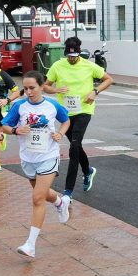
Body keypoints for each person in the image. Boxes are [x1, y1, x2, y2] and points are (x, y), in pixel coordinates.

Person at [1, 71, 70, 258]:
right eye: (26, 88)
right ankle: (60, 201)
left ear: (41, 87)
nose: (29, 92)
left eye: (32, 88)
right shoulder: (19, 106)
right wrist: (15, 130)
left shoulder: (52, 105)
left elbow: (66, 120)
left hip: (48, 155)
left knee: (37, 198)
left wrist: (60, 134)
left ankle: (30, 244)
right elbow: (4, 126)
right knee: (43, 193)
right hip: (28, 158)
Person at [44, 37, 113, 199]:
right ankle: (88, 170)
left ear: (79, 53)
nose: (72, 59)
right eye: (69, 56)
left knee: (74, 148)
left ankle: (68, 191)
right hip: (65, 113)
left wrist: (95, 92)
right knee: (77, 145)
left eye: (74, 56)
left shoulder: (89, 65)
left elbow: (109, 79)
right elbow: (45, 86)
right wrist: (56, 90)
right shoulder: (58, 66)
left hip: (84, 110)